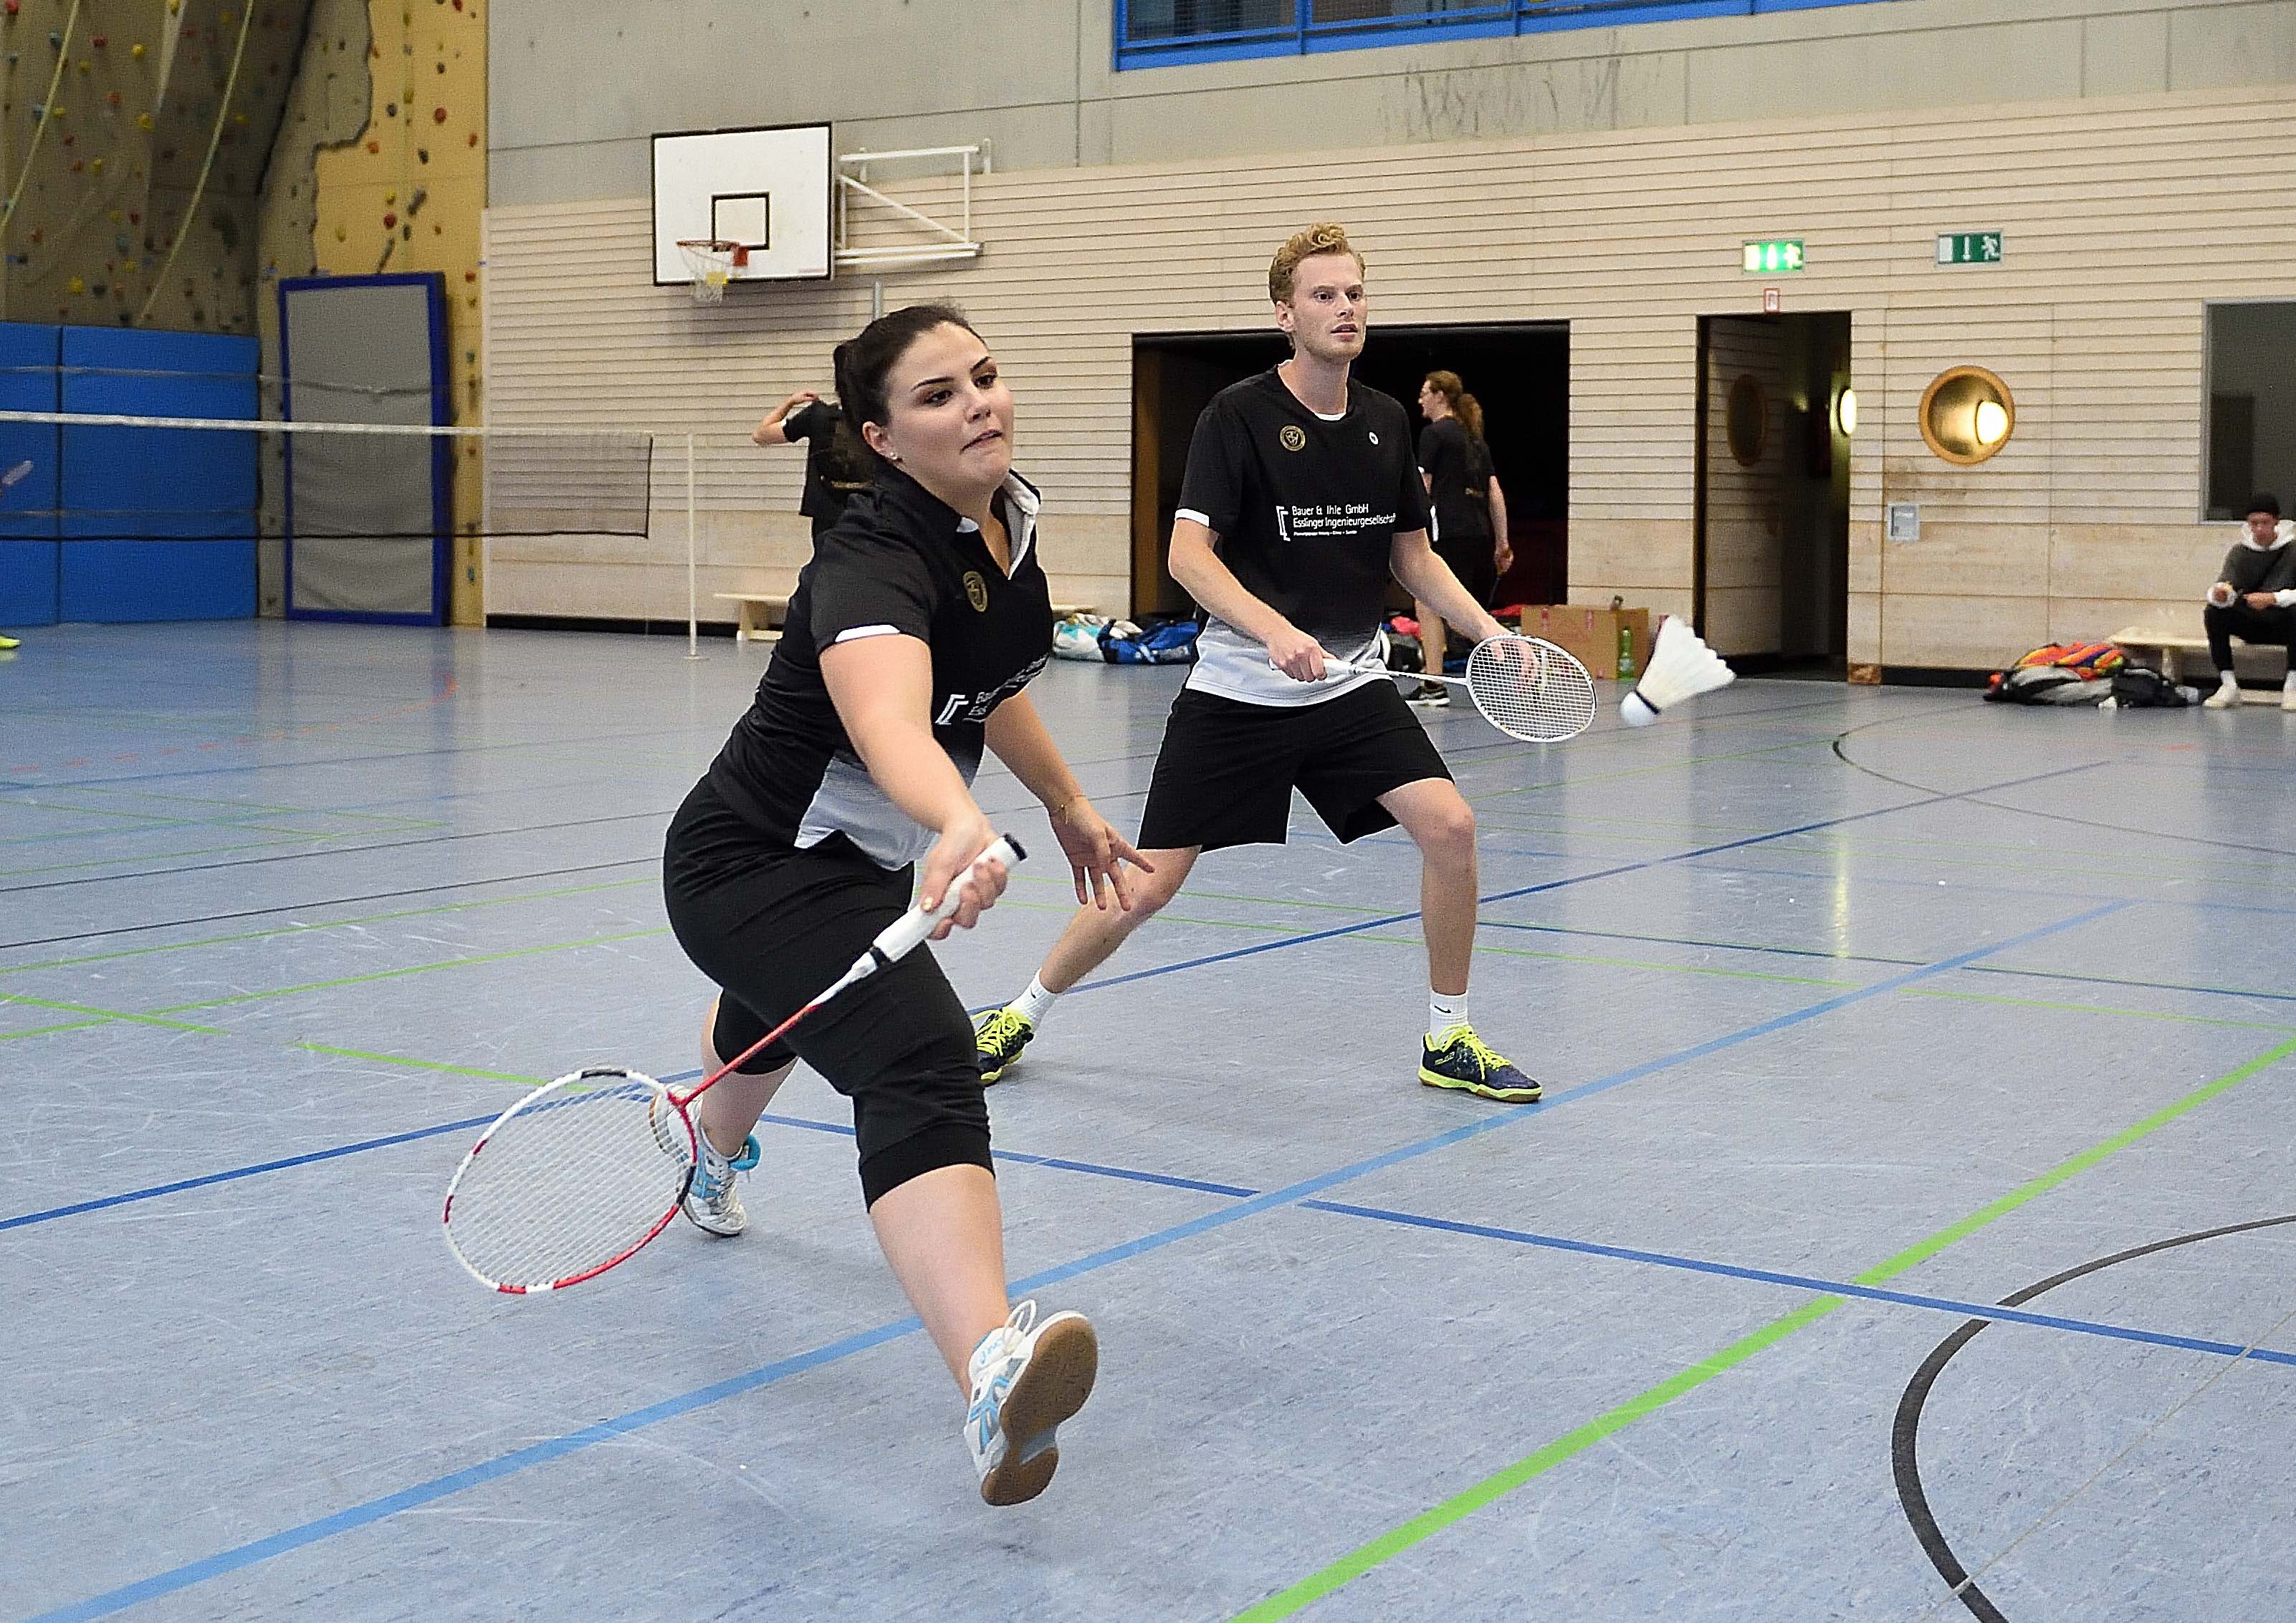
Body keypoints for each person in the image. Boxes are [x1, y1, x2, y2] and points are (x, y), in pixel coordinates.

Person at [664, 304, 1149, 1505]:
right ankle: (992, 1378)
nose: (978, 402)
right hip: (748, 864)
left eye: (983, 375)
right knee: (920, 1052)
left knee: (787, 1007)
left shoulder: (1002, 522)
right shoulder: (870, 560)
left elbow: (987, 687)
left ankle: (704, 1155)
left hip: (850, 866)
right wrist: (956, 821)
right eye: (937, 395)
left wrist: (1067, 805)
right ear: (878, 439)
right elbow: (890, 720)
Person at [971, 222, 1542, 1103]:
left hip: (1348, 683)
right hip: (1240, 689)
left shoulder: (1389, 422)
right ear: (1286, 314)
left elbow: (1413, 559)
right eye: (1324, 295)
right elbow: (1189, 557)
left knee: (1452, 828)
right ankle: (1022, 1009)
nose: (1345, 308)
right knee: (1150, 881)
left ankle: (1448, 1035)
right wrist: (1271, 629)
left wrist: (1490, 634)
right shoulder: (1236, 416)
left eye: (1354, 293)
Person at [1408, 371, 1512, 707]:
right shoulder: (1475, 440)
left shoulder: (1434, 434)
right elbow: (1494, 492)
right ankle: (1439, 682)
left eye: (1425, 392)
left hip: (1447, 531)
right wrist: (1502, 543)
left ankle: (1514, 656)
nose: (1420, 399)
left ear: (1441, 396)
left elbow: (1422, 488)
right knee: (1457, 608)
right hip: (1478, 533)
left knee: (1435, 605)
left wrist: (1408, 533)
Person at [2201, 493, 2296, 711]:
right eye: (2254, 523)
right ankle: (2228, 684)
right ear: (2248, 524)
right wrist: (2221, 595)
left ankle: (2292, 686)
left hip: (2284, 624)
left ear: (2276, 522)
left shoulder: (2292, 550)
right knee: (2213, 612)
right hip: (2251, 622)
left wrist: (2275, 598)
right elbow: (2227, 584)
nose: (2260, 529)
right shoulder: (2240, 552)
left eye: (2265, 523)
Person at [754, 388, 878, 539]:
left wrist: (790, 402)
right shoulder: (883, 420)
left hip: (829, 518)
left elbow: (761, 435)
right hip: (875, 512)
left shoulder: (817, 416)